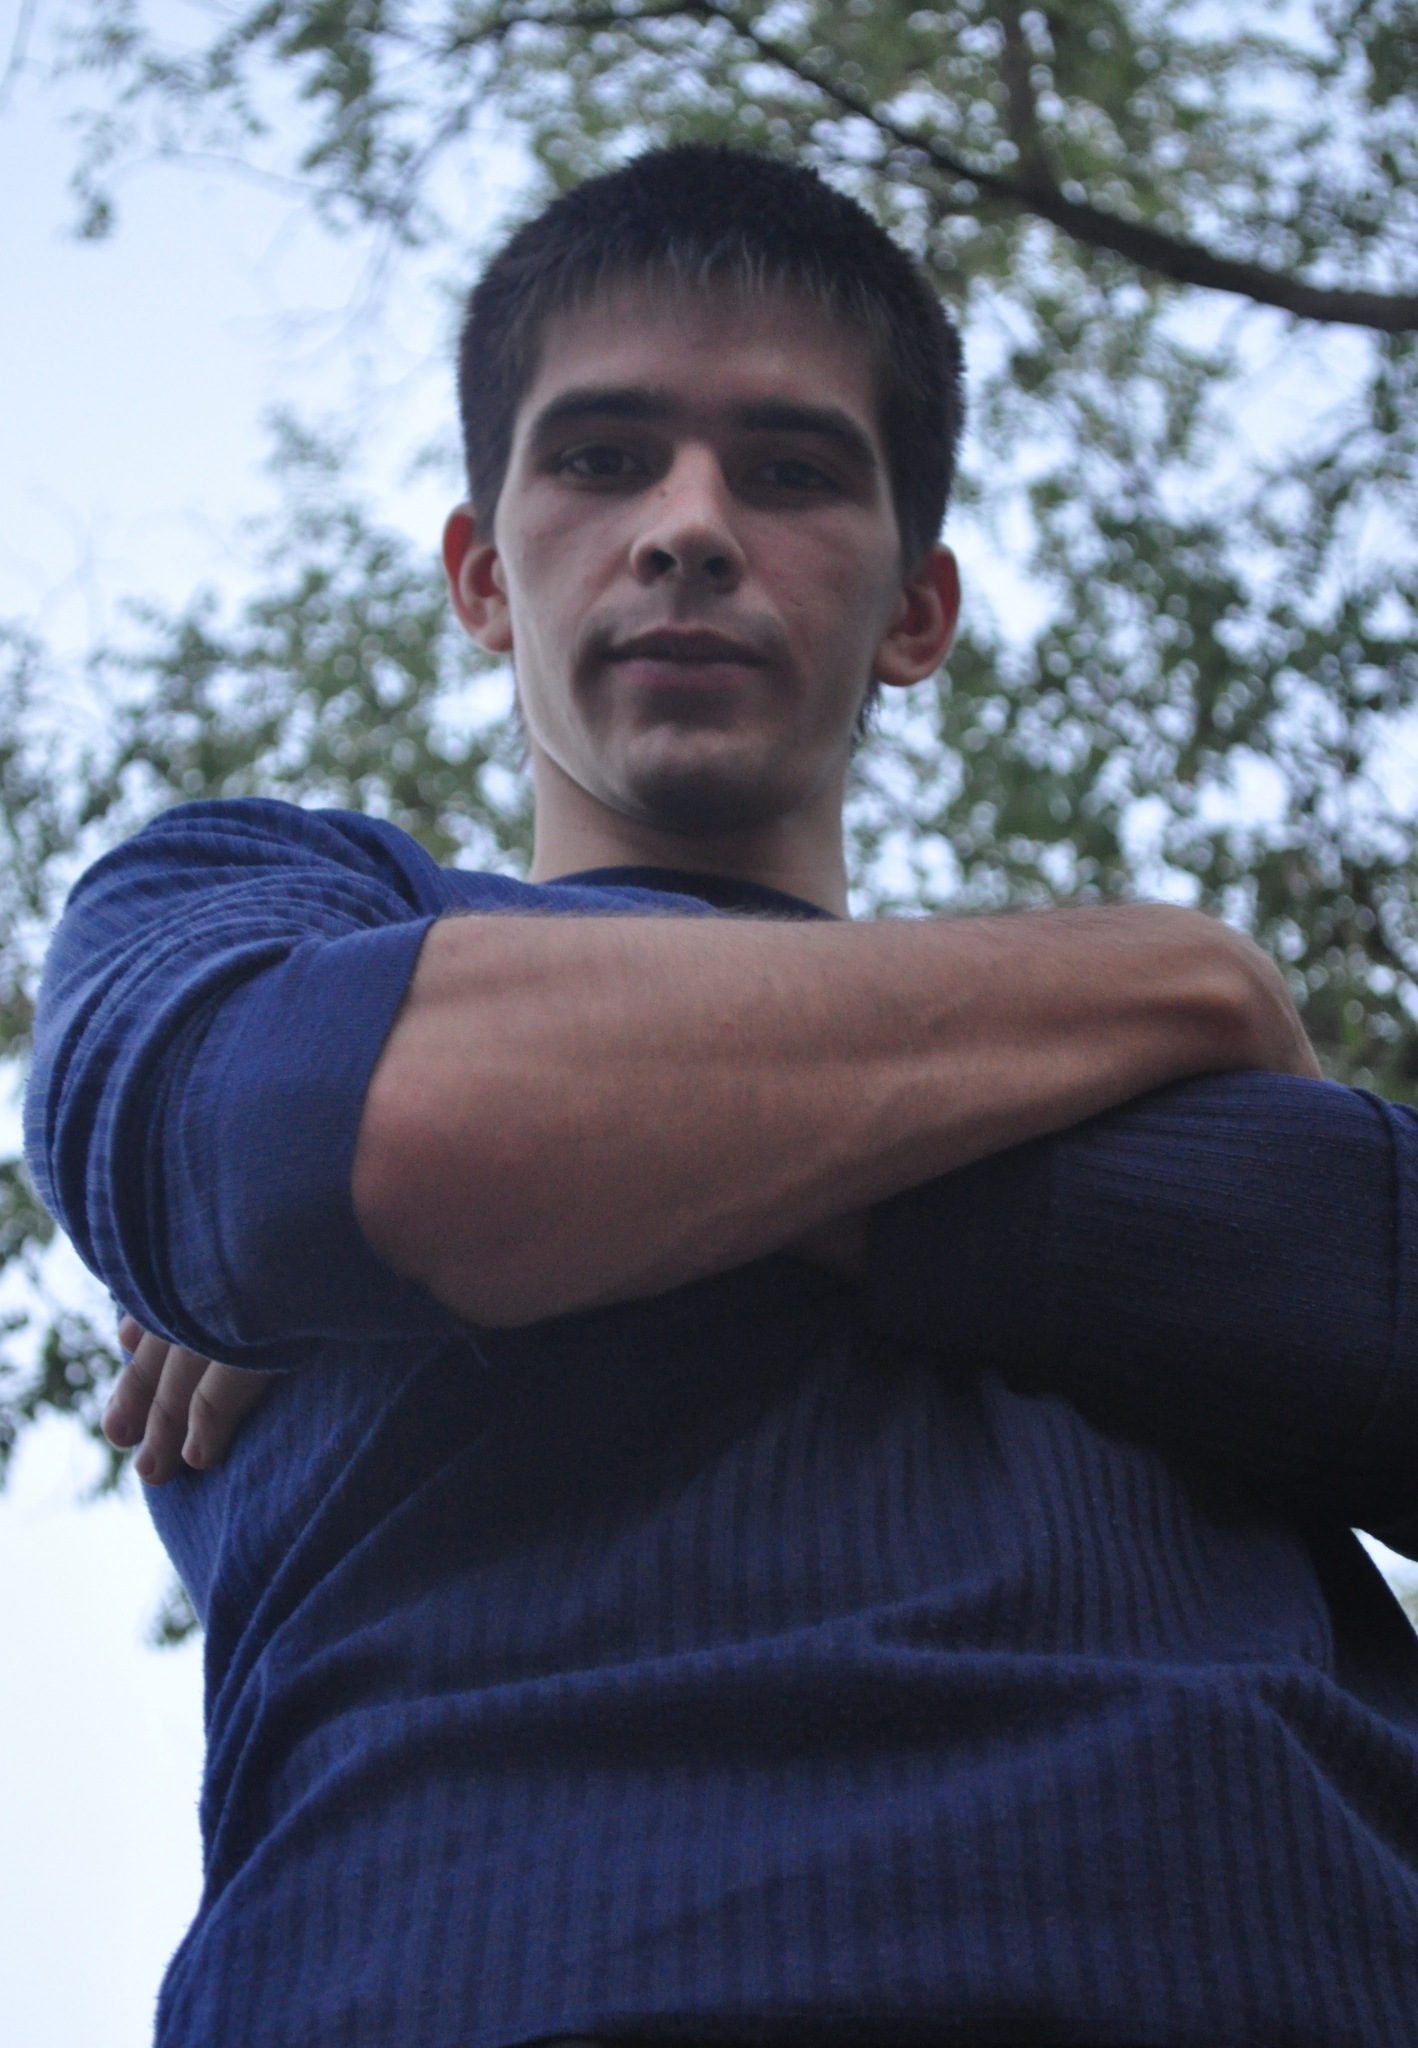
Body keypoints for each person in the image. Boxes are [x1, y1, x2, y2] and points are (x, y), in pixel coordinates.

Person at [25, 146, 1418, 2048]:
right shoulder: (249, 905)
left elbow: (383, 1147)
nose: (687, 526)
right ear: (480, 575)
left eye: (790, 472)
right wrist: (1180, 980)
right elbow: (354, 1138)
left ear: (916, 609)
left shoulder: (324, 1004)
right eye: (603, 459)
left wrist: (547, 1182)